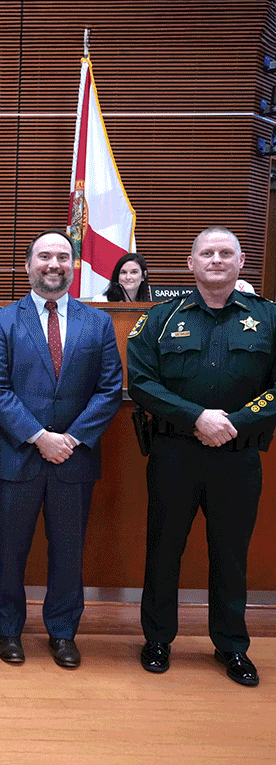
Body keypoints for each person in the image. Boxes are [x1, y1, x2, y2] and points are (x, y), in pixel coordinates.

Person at [128, 226, 276, 688]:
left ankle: (232, 645)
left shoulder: (268, 317)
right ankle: (157, 638)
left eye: (225, 252)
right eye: (206, 253)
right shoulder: (162, 318)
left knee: (231, 553)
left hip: (238, 454)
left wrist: (235, 421)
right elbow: (141, 381)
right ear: (190, 264)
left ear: (241, 261)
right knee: (164, 548)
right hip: (175, 453)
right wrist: (197, 418)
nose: (216, 259)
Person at [0, 229, 123, 669]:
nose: (54, 264)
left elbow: (110, 388)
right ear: (28, 266)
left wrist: (72, 439)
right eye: (45, 256)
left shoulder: (96, 322)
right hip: (15, 455)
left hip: (74, 459)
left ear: (73, 266)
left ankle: (63, 632)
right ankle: (9, 631)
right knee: (10, 549)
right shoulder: (2, 320)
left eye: (63, 257)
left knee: (68, 550)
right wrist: (40, 437)